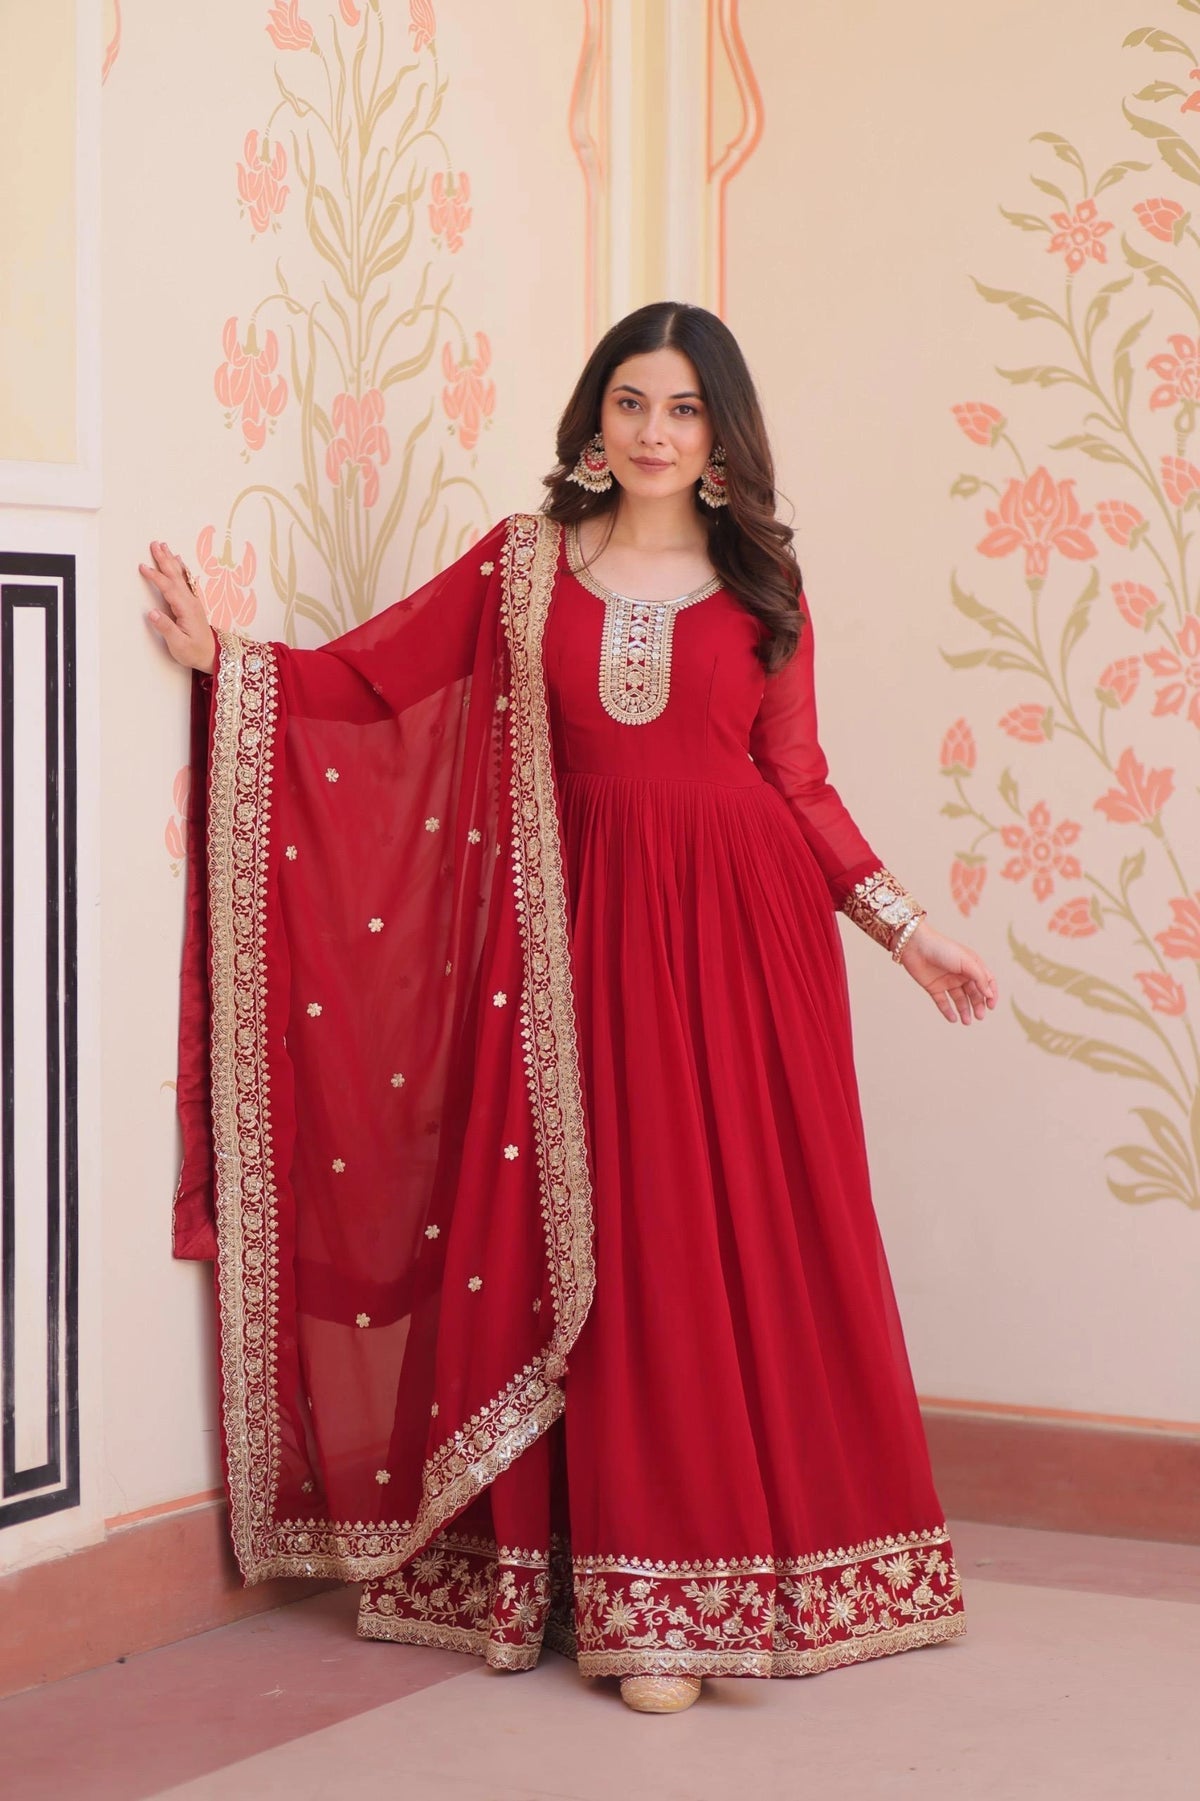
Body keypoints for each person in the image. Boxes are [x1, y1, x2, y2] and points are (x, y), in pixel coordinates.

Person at [144, 301, 996, 1716]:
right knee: (608, 1236)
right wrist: (234, 664)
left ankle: (717, 1585)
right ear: (595, 420)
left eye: (684, 409)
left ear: (721, 435)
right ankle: (623, 1593)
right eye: (631, 402)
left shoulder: (764, 581)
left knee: (719, 1237)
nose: (655, 431)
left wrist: (908, 933)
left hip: (742, 945)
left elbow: (797, 781)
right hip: (573, 937)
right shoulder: (525, 565)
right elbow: (379, 681)